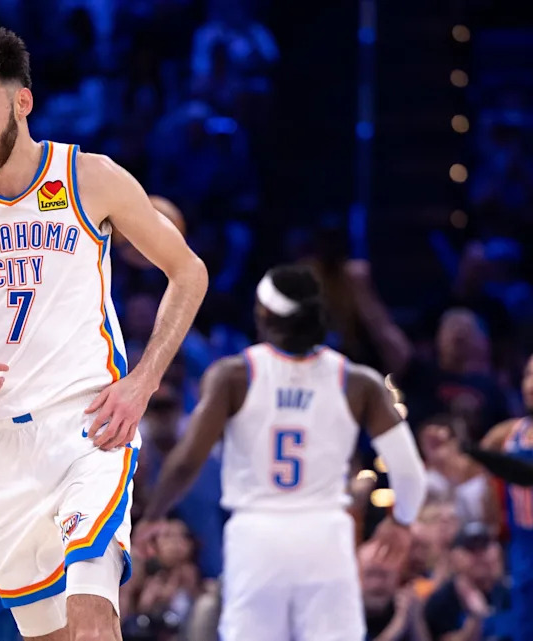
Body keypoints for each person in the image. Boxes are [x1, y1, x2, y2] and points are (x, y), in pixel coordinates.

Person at [0, 26, 207, 641]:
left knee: (92, 607)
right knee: (49, 634)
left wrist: (143, 382)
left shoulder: (90, 177)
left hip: (87, 426)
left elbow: (188, 272)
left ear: (22, 102)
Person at [135, 264, 428, 641]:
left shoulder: (234, 376)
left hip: (257, 535)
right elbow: (409, 472)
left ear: (264, 316)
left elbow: (187, 460)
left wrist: (154, 515)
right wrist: (401, 521)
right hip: (325, 534)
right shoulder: (357, 382)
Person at [467, 353, 533, 641]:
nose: (531, 383)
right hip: (521, 548)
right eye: (528, 375)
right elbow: (476, 472)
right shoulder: (509, 433)